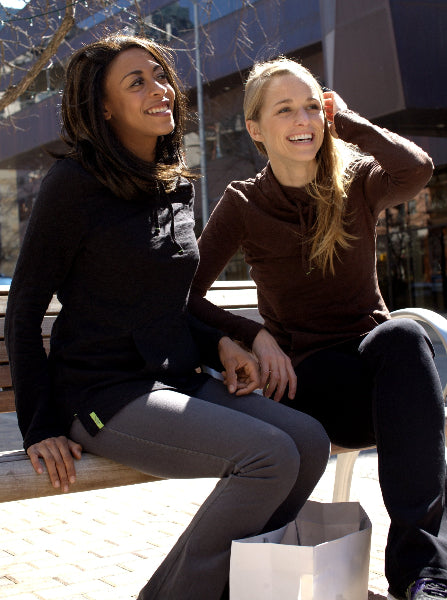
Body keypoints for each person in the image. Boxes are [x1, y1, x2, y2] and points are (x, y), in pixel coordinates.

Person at [5, 38, 330, 600]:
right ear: (103, 107)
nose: (161, 90)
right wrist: (41, 427)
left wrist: (224, 345)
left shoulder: (173, 183)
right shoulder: (73, 186)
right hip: (103, 395)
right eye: (137, 82)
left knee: (308, 439)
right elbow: (25, 310)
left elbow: (169, 302)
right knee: (268, 455)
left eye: (160, 76)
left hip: (176, 380)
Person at [189, 56, 447, 600]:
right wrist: (253, 334)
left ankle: (421, 574)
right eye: (285, 109)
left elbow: (418, 170)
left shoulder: (355, 183)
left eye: (311, 105)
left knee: (403, 336)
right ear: (256, 129)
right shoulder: (243, 203)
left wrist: (348, 122)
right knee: (405, 374)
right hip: (310, 383)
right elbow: (185, 298)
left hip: (381, 375)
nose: (302, 118)